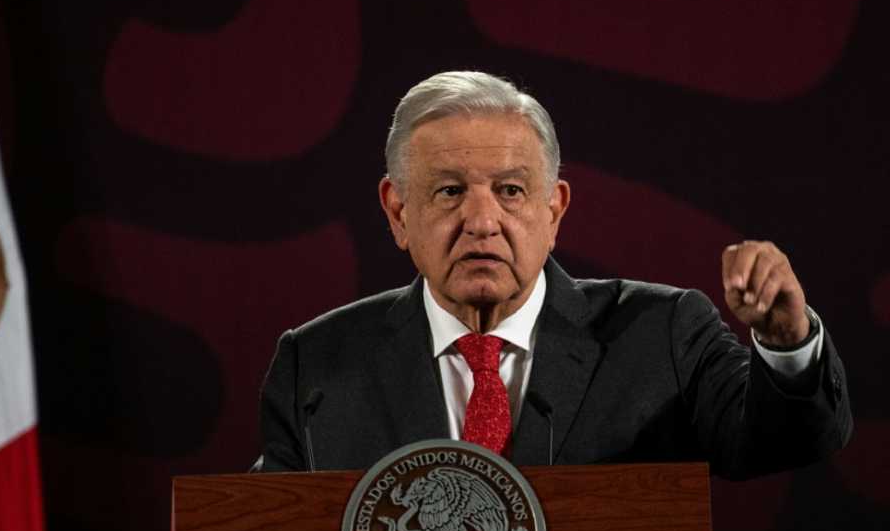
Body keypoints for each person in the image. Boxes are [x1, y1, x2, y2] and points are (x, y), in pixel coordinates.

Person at [257, 71, 851, 477]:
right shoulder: (317, 365)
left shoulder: (659, 335)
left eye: (511, 191)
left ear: (554, 210)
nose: (482, 221)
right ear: (398, 211)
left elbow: (789, 441)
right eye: (449, 191)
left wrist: (785, 343)